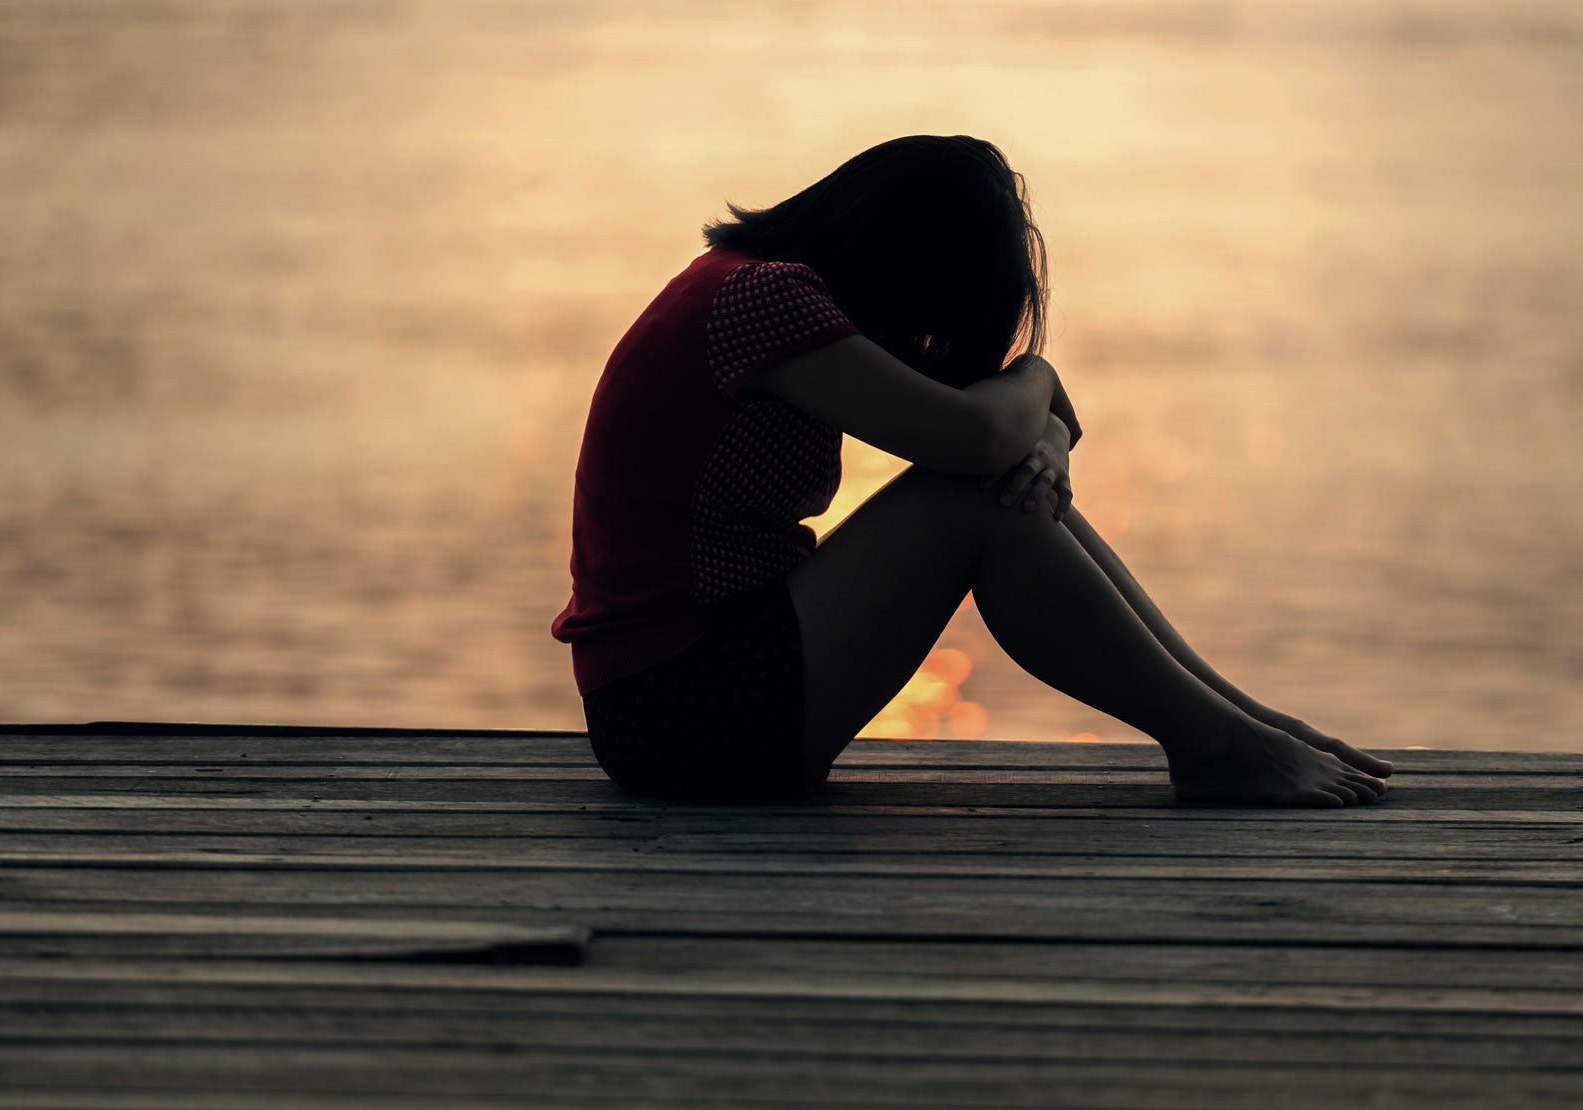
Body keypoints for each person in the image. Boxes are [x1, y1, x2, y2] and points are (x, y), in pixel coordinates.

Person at [552, 134, 1393, 807]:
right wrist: (1038, 378)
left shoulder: (755, 293)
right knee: (969, 499)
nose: (926, 338)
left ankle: (1237, 723)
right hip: (677, 712)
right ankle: (1219, 743)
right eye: (935, 313)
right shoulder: (762, 299)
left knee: (992, 489)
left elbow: (1004, 435)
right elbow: (977, 435)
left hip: (697, 697)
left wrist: (1047, 440)